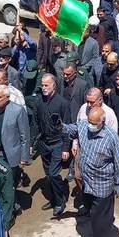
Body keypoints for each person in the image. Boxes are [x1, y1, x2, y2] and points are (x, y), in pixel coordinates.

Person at [61, 107, 119, 237]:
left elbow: (118, 161)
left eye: (94, 123)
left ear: (102, 122)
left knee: (100, 221)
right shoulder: (84, 126)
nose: (90, 125)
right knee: (93, 213)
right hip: (87, 182)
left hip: (103, 185)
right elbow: (71, 129)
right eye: (89, 121)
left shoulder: (111, 138)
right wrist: (59, 125)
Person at [34, 73, 71, 216]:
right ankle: (54, 198)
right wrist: (32, 143)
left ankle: (60, 201)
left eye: (46, 85)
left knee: (54, 173)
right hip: (44, 143)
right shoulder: (38, 102)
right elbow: (35, 123)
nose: (43, 88)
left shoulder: (62, 103)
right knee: (48, 174)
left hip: (58, 143)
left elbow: (67, 127)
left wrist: (66, 148)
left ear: (54, 85)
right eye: (42, 85)